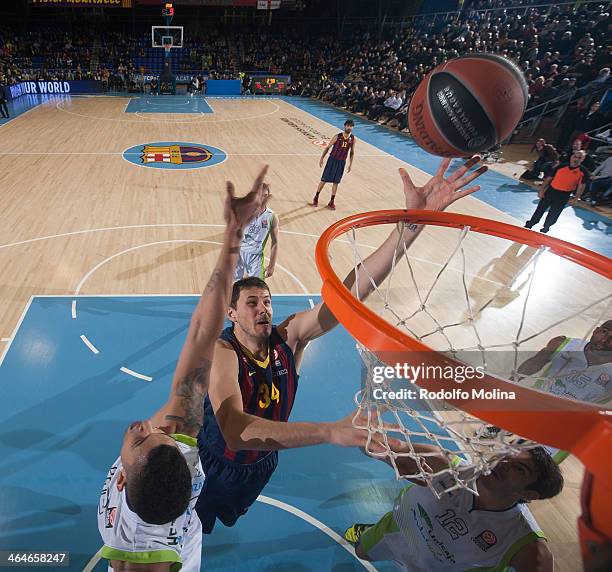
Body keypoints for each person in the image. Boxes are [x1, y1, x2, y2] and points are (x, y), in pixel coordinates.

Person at [196, 156, 488, 534]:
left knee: (231, 517)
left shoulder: (288, 338)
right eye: (251, 303)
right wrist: (329, 431)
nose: (263, 308)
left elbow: (346, 297)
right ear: (232, 314)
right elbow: (236, 430)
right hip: (215, 460)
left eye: (267, 301)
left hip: (262, 462)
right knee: (190, 527)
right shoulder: (224, 353)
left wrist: (410, 227)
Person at [97, 168, 268, 571]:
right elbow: (201, 337)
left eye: (141, 440)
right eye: (152, 436)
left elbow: (198, 335)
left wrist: (233, 235)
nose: (143, 427)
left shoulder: (132, 551)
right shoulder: (180, 459)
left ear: (122, 480)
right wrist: (232, 239)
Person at [344, 444, 563, 572]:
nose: (502, 464)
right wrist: (367, 440)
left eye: (520, 469)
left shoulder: (527, 546)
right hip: (398, 530)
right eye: (506, 455)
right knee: (361, 552)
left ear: (528, 494)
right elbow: (380, 446)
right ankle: (368, 531)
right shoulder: (444, 465)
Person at [517, 319, 612, 405]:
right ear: (596, 330)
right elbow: (534, 363)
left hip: (573, 418)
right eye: (604, 332)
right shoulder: (563, 344)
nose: (604, 340)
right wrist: (509, 383)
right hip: (537, 402)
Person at [524, 150, 588, 233]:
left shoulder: (583, 171)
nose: (576, 159)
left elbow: (581, 186)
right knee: (540, 209)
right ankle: (530, 224)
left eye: (579, 158)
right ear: (571, 157)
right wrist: (542, 190)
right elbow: (549, 178)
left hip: (564, 195)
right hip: (551, 191)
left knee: (554, 213)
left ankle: (546, 228)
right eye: (575, 156)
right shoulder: (561, 166)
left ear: (582, 159)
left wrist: (576, 198)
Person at [235, 182, 279, 280]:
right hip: (238, 253)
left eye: (265, 196)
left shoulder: (271, 216)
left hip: (256, 258)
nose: (263, 198)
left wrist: (272, 265)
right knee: (234, 288)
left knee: (257, 288)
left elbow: (275, 242)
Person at [312, 119, 356, 210]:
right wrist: (322, 158)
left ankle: (331, 201)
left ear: (353, 127)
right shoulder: (337, 136)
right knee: (324, 180)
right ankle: (316, 197)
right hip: (332, 160)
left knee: (336, 182)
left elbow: (352, 152)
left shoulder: (353, 139)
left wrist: (350, 164)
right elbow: (328, 147)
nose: (349, 127)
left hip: (341, 162)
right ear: (345, 126)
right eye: (348, 125)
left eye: (351, 126)